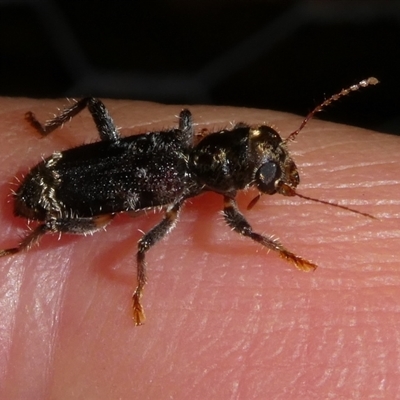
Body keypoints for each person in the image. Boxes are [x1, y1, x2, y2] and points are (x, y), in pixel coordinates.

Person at [0, 97, 398, 398]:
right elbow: (149, 248)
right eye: (263, 174)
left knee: (95, 105)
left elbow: (189, 123)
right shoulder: (185, 183)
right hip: (50, 194)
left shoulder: (185, 139)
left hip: (66, 170)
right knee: (126, 243)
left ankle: (42, 136)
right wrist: (138, 290)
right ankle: (18, 251)